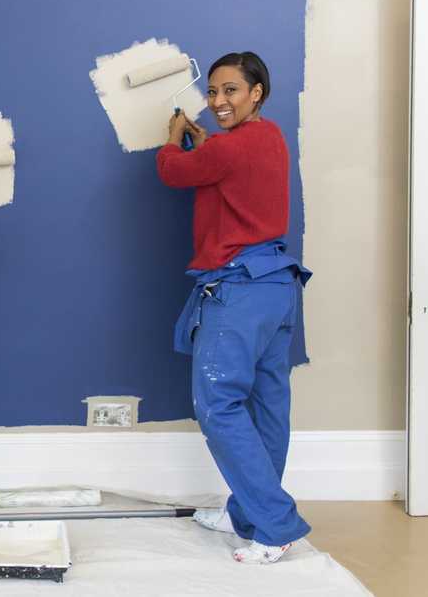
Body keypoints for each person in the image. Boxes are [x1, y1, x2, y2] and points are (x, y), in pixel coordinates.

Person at [157, 52, 313, 565]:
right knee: (267, 404)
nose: (219, 101)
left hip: (240, 288)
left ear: (256, 93)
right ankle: (247, 513)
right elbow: (224, 168)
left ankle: (275, 524)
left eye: (231, 91)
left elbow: (174, 170)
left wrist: (171, 135)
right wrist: (208, 142)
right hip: (277, 285)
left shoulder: (229, 147)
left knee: (218, 404)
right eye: (214, 92)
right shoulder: (267, 138)